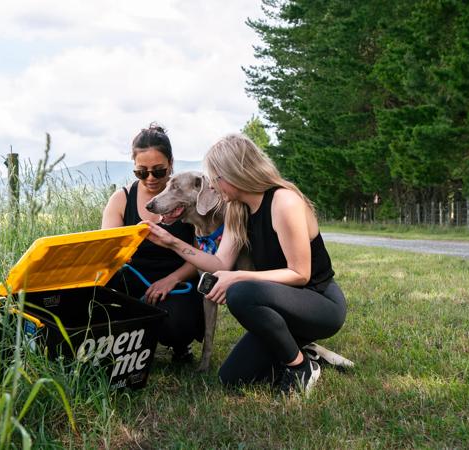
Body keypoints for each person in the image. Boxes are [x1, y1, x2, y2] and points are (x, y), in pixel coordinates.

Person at [143, 133, 347, 394]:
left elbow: (300, 274)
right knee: (233, 377)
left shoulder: (284, 202)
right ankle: (305, 350)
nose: (213, 187)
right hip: (281, 305)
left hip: (319, 303)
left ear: (235, 173)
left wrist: (239, 277)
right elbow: (219, 263)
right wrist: (170, 241)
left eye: (216, 178)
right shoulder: (238, 210)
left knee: (240, 291)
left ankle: (299, 367)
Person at [102, 123, 204, 362]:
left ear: (171, 164)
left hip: (178, 280)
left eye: (158, 171)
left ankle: (179, 343)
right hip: (133, 280)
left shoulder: (191, 199)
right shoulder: (121, 199)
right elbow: (107, 251)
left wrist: (171, 280)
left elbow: (202, 258)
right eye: (141, 172)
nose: (150, 178)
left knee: (177, 325)